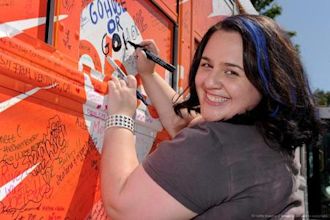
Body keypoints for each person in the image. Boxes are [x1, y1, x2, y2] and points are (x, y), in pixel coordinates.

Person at [100, 14, 320, 219]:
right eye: (206, 64)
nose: (209, 82)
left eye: (231, 72)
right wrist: (148, 74)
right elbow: (183, 123)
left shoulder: (218, 149)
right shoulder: (266, 138)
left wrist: (121, 116)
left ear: (267, 82)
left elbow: (122, 206)